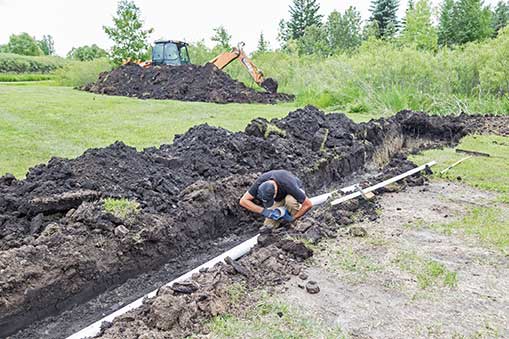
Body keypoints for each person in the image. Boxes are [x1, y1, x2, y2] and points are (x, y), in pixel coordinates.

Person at [239, 170, 313, 227]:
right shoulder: (260, 182)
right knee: (268, 226)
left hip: (293, 195)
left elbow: (308, 204)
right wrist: (264, 211)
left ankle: (296, 224)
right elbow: (243, 201)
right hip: (279, 198)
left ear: (275, 191)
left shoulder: (288, 183)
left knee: (290, 201)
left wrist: (293, 218)